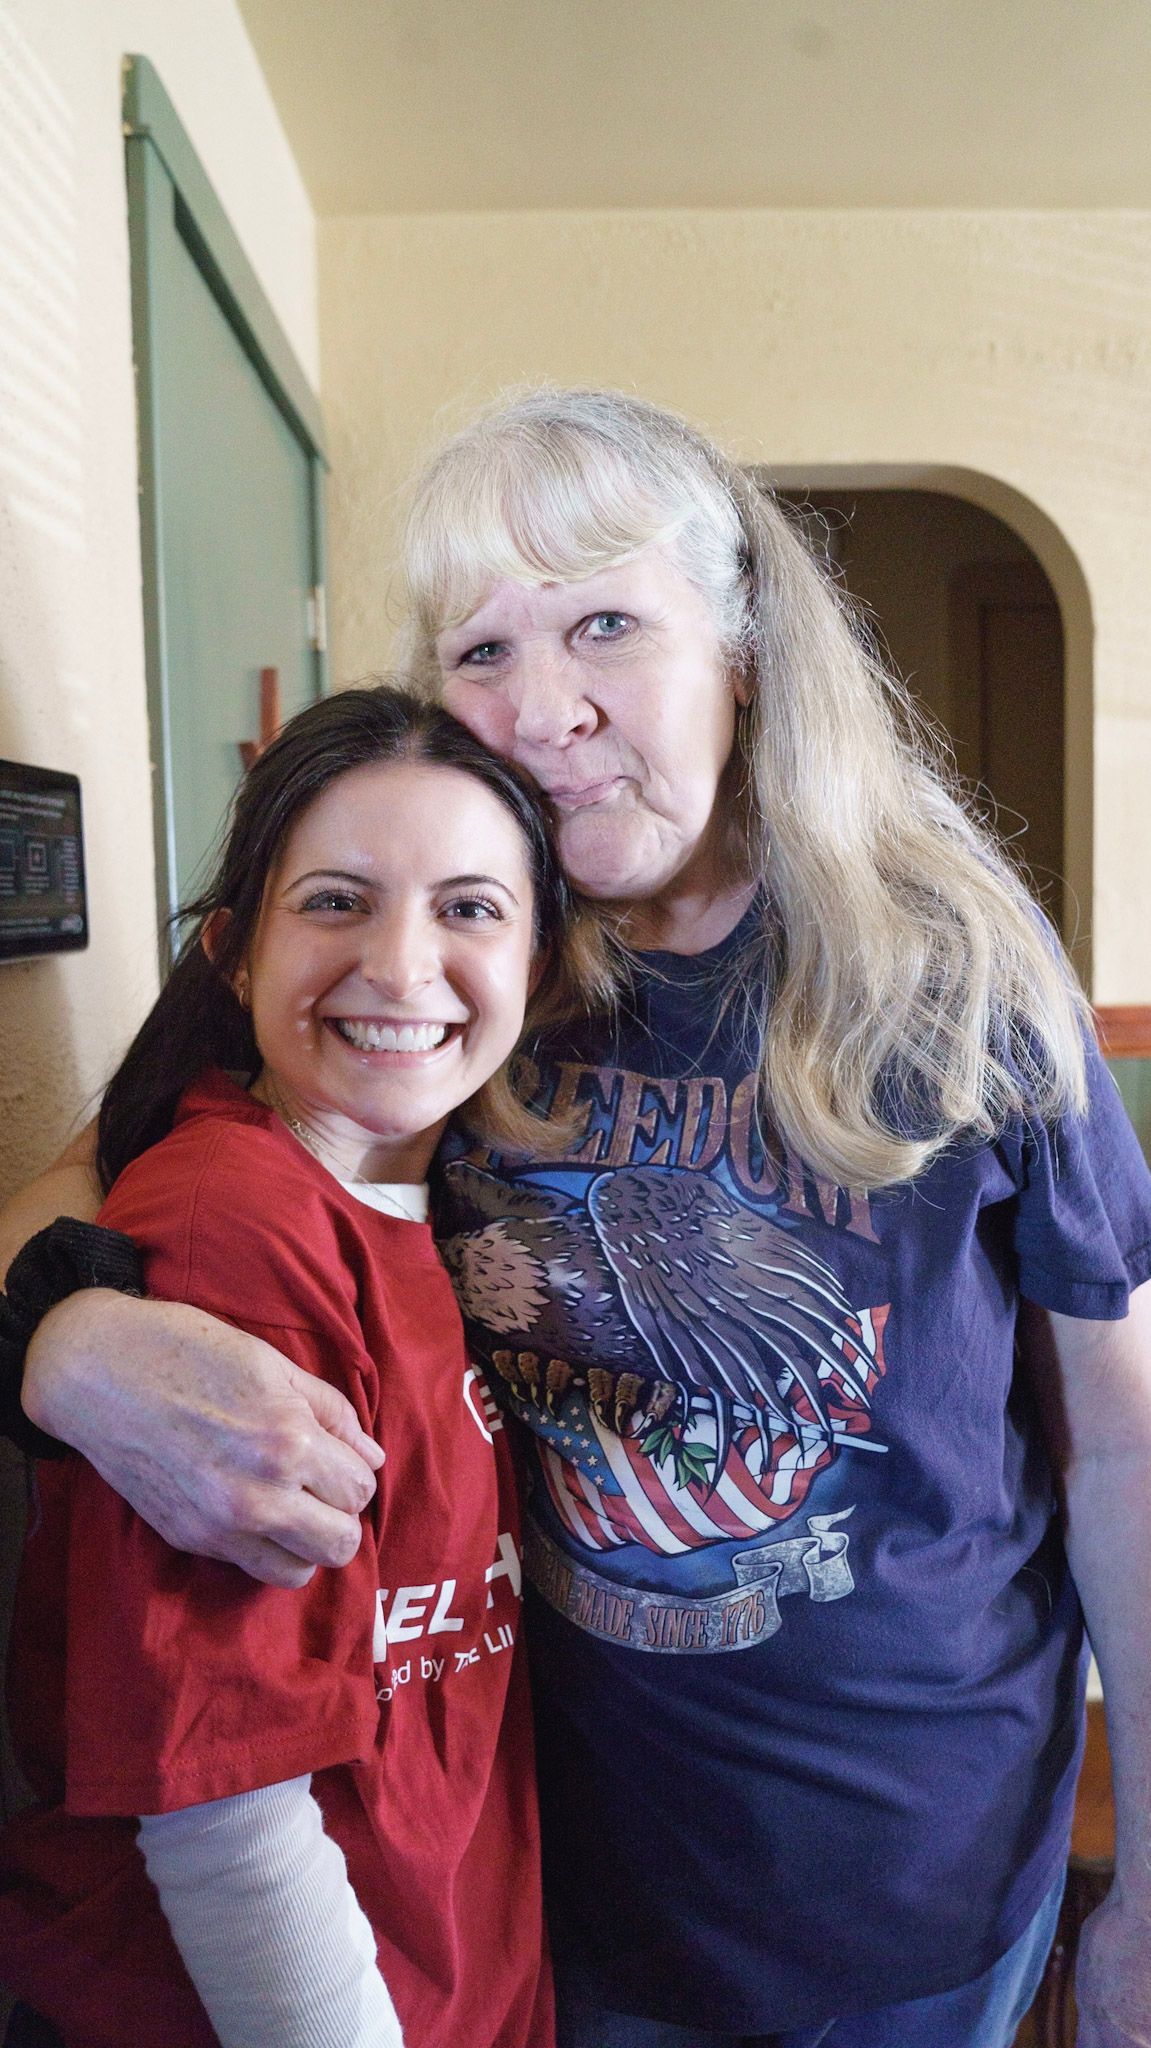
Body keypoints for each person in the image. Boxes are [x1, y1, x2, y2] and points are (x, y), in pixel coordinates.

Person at [5, 389, 1151, 2048]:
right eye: (482, 650)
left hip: (911, 1886)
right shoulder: (453, 960)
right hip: (546, 1883)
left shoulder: (954, 973)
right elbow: (74, 1181)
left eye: (607, 624)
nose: (542, 712)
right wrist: (68, 1339)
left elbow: (1119, 1451)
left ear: (743, 652)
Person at [0, 683, 606, 2048]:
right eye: (336, 901)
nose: (400, 966)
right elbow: (224, 1812)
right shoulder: (235, 1224)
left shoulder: (449, 1201)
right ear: (233, 953)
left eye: (469, 907)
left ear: (542, 965)